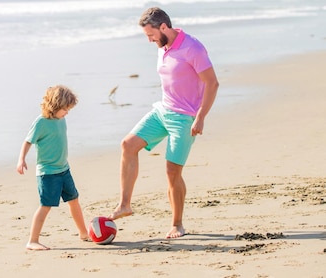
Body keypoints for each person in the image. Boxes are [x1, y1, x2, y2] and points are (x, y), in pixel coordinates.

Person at [107, 7, 219, 239]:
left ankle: (177, 224)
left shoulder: (193, 48)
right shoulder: (164, 46)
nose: (149, 40)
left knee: (172, 171)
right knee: (128, 145)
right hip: (162, 111)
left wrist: (200, 116)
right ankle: (125, 204)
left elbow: (212, 83)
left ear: (164, 27)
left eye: (151, 35)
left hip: (185, 118)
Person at [17, 85, 90, 250]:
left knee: (74, 200)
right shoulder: (41, 122)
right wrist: (21, 159)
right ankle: (33, 240)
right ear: (55, 106)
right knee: (46, 205)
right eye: (65, 109)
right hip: (48, 173)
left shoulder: (61, 119)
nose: (67, 112)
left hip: (64, 169)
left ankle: (83, 232)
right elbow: (28, 141)